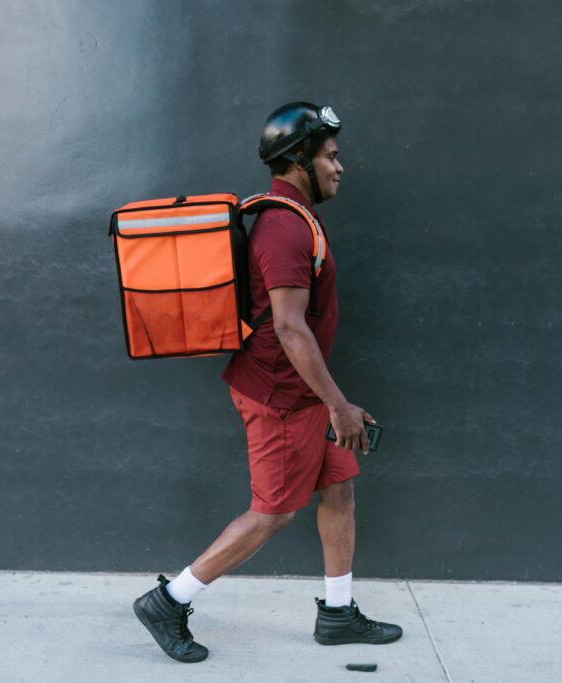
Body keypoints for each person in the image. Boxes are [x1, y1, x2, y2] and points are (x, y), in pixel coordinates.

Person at [133, 101, 402, 663]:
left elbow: (297, 332)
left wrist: (335, 402)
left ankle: (336, 613)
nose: (340, 166)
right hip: (279, 397)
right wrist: (338, 406)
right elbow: (287, 328)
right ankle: (168, 600)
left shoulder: (294, 216)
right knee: (273, 510)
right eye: (330, 155)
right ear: (300, 158)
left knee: (338, 487)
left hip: (302, 394)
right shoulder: (283, 227)